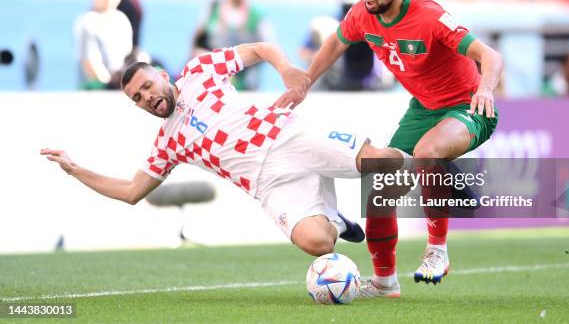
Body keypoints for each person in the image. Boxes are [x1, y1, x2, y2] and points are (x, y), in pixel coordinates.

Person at [276, 0, 504, 296]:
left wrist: (485, 89)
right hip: (423, 109)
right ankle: (385, 282)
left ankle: (437, 251)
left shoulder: (430, 17)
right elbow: (336, 43)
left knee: (428, 151)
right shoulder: (362, 15)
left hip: (468, 106)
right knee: (379, 182)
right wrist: (305, 81)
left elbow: (490, 55)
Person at [41, 42, 405, 257]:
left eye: (148, 86)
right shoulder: (167, 143)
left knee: (382, 162)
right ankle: (335, 218)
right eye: (138, 98)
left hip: (287, 136)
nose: (148, 97)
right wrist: (75, 170)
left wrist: (286, 70)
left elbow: (261, 49)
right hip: (269, 184)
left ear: (164, 77)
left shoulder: (200, 71)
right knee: (318, 243)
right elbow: (131, 192)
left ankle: (442, 175)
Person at [74, 0, 133, 89]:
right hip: (94, 92)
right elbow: (91, 66)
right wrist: (114, 87)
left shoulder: (122, 20)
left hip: (119, 90)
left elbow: (126, 63)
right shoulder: (88, 21)